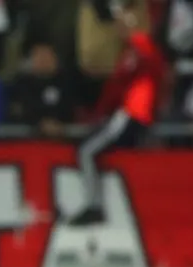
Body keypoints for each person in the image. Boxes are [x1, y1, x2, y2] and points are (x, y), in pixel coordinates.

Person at [69, 0, 164, 226]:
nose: (120, 27)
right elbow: (115, 90)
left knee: (87, 151)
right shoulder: (131, 52)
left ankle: (94, 205)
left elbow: (130, 87)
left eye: (125, 23)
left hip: (131, 115)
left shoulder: (140, 50)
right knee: (91, 149)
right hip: (128, 115)